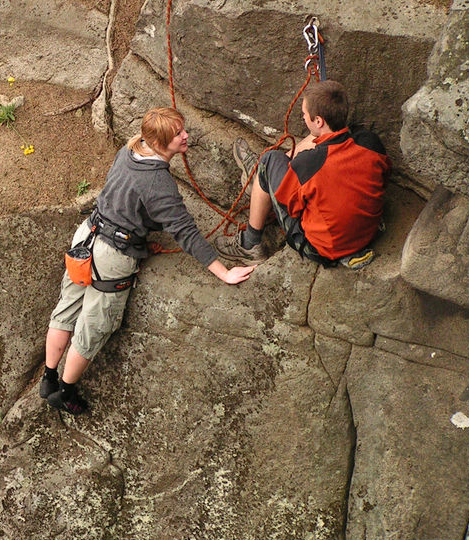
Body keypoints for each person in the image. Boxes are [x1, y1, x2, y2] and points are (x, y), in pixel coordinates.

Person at [41, 107, 254, 415]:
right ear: (160, 142)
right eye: (178, 134)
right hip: (112, 257)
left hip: (87, 236)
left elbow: (127, 200)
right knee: (93, 326)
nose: (186, 137)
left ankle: (48, 378)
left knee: (67, 307)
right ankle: (65, 390)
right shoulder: (158, 183)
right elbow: (186, 233)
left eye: (183, 130)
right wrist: (223, 272)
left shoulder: (130, 149)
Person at [216, 79, 391, 269]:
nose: (303, 118)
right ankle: (260, 179)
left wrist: (288, 172)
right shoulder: (372, 144)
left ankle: (249, 243)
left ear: (318, 120)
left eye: (305, 114)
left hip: (323, 248)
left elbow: (289, 206)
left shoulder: (308, 165)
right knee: (323, 149)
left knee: (269, 160)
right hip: (367, 233)